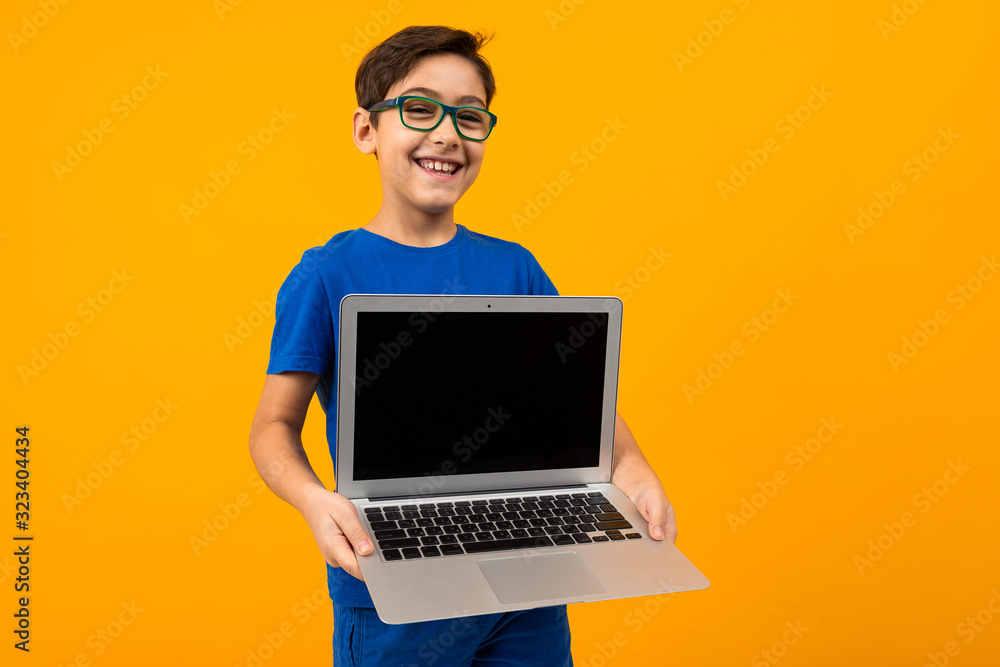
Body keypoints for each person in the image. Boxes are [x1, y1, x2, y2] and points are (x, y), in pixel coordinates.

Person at [248, 25, 677, 666]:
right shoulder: (326, 275)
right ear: (367, 130)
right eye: (419, 108)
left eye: (469, 117)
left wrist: (634, 467)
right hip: (390, 580)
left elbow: (584, 408)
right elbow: (272, 426)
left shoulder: (517, 269)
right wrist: (315, 502)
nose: (447, 134)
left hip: (528, 576)